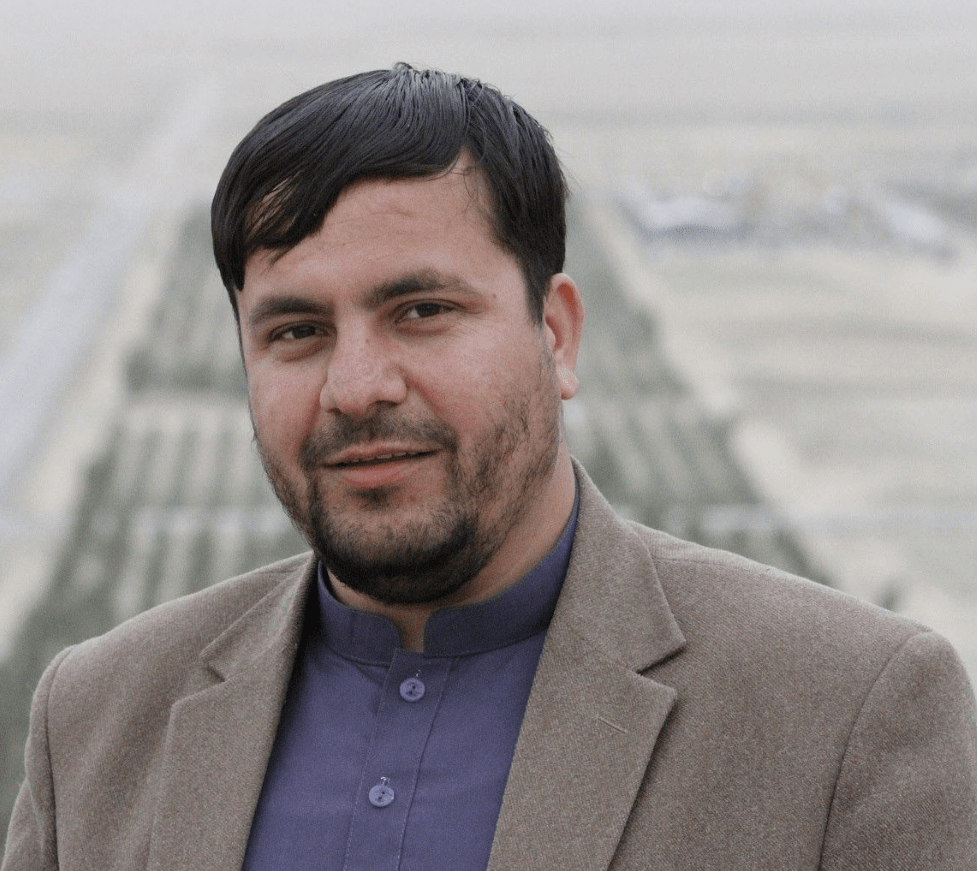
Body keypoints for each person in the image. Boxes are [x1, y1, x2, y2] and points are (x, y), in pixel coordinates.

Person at [3, 64, 976, 871]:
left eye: (421, 311)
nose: (356, 386)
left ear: (555, 334)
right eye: (296, 330)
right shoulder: (96, 719)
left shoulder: (846, 713)